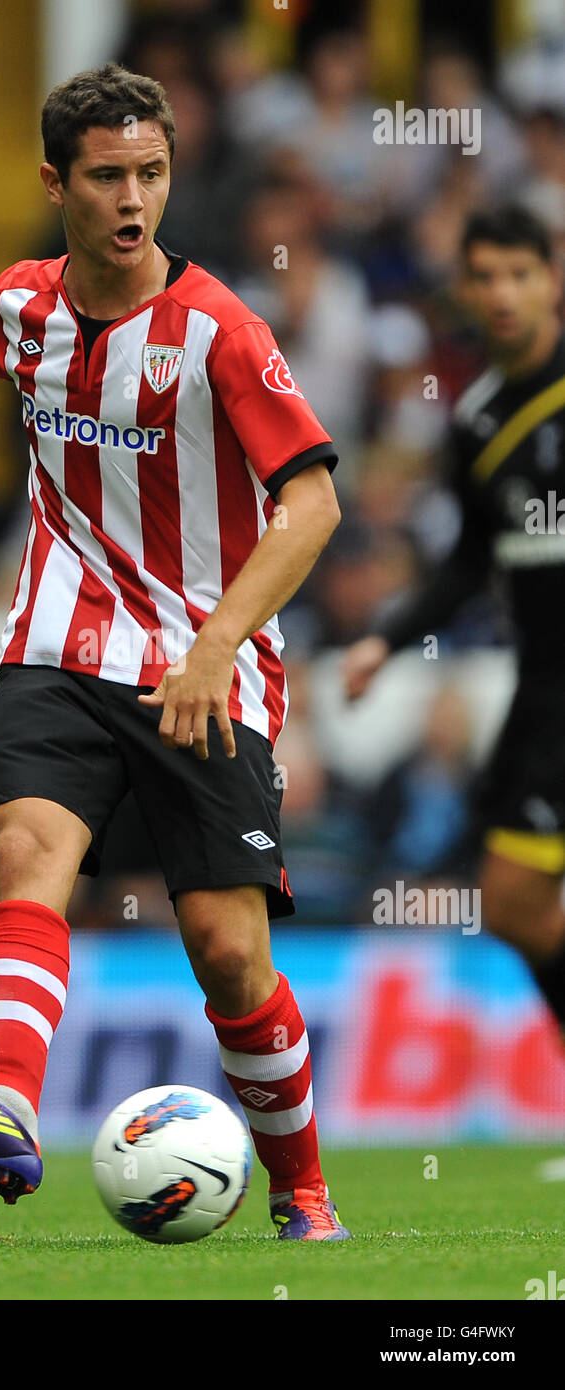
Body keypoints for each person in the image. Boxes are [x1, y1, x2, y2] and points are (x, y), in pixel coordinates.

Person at [0, 63, 347, 1240]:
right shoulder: (25, 304)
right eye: (108, 176)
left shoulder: (219, 331)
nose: (133, 199)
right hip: (58, 646)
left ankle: (303, 1191)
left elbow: (312, 505)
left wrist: (218, 643)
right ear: (54, 183)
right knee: (28, 851)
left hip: (199, 663)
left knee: (227, 952)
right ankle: (8, 1113)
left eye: (152, 174)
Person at [343, 205, 565, 1044]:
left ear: (551, 280)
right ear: (466, 288)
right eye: (487, 277)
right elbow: (471, 562)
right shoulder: (476, 419)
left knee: (514, 893)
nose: (504, 293)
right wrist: (384, 642)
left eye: (521, 274)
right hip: (541, 691)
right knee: (510, 904)